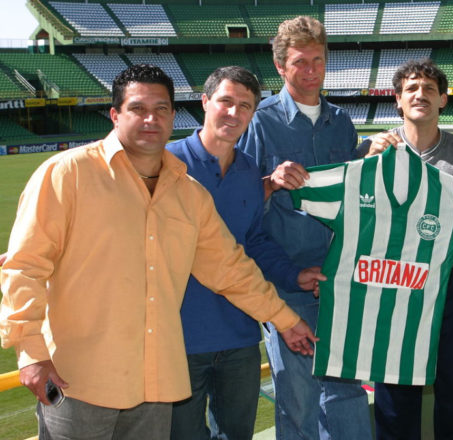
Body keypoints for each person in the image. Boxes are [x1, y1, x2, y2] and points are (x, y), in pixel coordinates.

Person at [0, 64, 316, 440]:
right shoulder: (68, 174)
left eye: (161, 109)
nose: (151, 119)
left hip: (154, 386)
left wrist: (285, 320)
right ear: (115, 114)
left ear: (173, 115)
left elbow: (229, 269)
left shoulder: (189, 194)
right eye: (138, 108)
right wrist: (31, 354)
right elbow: (25, 266)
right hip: (79, 382)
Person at [166, 66, 326, 440]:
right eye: (225, 101)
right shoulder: (167, 163)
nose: (234, 113)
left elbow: (253, 241)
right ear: (205, 102)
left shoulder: (250, 171)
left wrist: (293, 275)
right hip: (178, 339)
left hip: (239, 337)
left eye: (245, 106)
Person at [357, 58, 453, 440]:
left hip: (448, 282)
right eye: (411, 88)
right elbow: (358, 219)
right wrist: (367, 163)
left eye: (429, 88)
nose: (420, 94)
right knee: (395, 397)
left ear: (443, 99)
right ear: (397, 99)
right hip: (393, 283)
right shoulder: (372, 150)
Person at [236, 17, 372, 439]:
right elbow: (239, 203)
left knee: (347, 391)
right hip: (287, 283)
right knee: (298, 400)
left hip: (338, 280)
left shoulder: (342, 121)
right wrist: (271, 180)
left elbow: (352, 195)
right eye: (299, 62)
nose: (311, 70)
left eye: (318, 60)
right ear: (280, 66)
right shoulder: (259, 122)